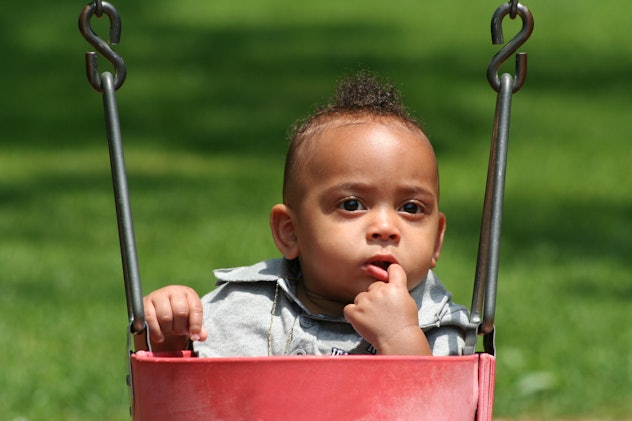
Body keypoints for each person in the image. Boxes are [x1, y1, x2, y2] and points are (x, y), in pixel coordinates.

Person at [138, 71, 470, 357]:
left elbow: (437, 406)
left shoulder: (440, 328)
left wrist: (400, 338)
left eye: (410, 208)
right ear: (290, 232)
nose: (385, 228)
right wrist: (170, 336)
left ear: (437, 240)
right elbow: (181, 398)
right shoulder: (242, 309)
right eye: (352, 204)